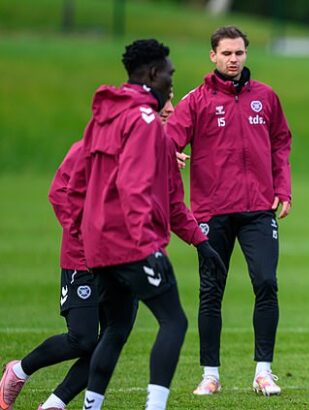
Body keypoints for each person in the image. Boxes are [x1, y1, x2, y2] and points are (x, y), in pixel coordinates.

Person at [66, 39, 225, 410]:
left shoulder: (104, 115)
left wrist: (201, 242)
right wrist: (146, 246)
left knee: (116, 328)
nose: (171, 82)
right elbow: (135, 187)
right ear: (153, 73)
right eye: (169, 73)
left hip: (99, 247)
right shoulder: (147, 120)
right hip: (131, 245)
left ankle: (90, 406)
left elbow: (78, 185)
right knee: (174, 322)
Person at [166, 25, 292, 396]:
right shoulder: (196, 100)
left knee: (266, 282)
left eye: (239, 53)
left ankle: (263, 372)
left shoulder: (265, 97)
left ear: (245, 54)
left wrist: (282, 187)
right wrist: (170, 153)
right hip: (212, 210)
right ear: (213, 56)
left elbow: (281, 142)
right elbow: (169, 139)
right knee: (211, 291)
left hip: (258, 209)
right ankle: (210, 375)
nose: (233, 59)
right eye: (226, 53)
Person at [0, 141, 96, 410]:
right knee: (83, 339)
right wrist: (87, 235)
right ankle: (19, 371)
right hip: (84, 260)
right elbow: (59, 191)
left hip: (124, 262)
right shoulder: (89, 147)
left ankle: (55, 403)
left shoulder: (148, 150)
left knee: (114, 338)